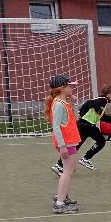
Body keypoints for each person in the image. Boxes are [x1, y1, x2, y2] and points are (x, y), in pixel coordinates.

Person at [51, 84, 111, 174]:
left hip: (82, 124)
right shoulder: (103, 100)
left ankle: (59, 165)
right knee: (101, 141)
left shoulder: (100, 101)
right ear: (109, 94)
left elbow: (103, 117)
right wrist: (82, 113)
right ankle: (86, 158)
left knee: (76, 146)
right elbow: (89, 104)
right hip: (88, 125)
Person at [46, 74, 80, 214]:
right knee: (67, 171)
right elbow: (56, 126)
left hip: (68, 142)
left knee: (70, 170)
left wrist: (71, 99)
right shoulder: (59, 104)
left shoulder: (62, 102)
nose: (71, 88)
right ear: (62, 89)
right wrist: (62, 146)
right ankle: (59, 203)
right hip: (66, 143)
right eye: (69, 86)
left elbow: (68, 119)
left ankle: (62, 197)